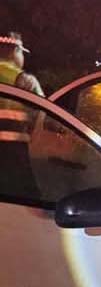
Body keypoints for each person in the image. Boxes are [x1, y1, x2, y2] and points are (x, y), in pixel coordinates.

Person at [0, 32, 42, 200]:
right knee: (24, 201)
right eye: (21, 53)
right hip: (15, 153)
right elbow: (43, 115)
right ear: (15, 51)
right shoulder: (25, 80)